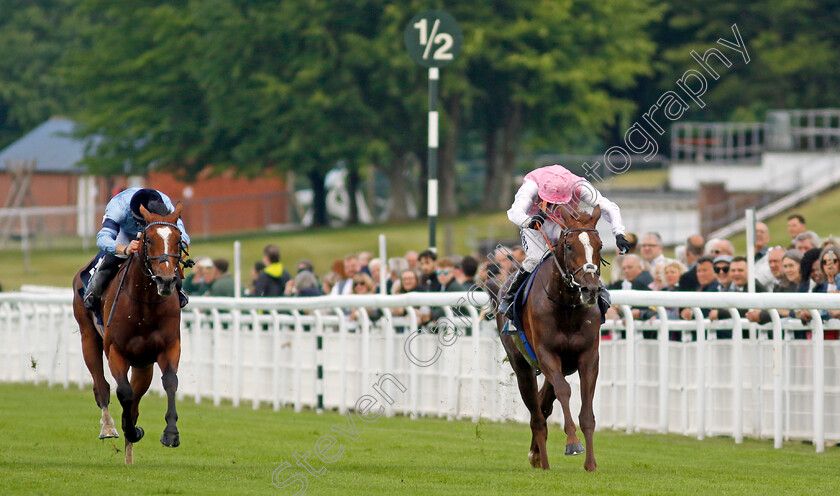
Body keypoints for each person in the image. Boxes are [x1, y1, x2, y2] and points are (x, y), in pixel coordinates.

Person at [500, 164, 630, 317]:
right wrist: (530, 222)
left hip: (562, 221)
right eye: (551, 201)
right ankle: (510, 297)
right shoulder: (531, 185)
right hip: (533, 223)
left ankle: (598, 287)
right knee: (536, 258)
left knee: (578, 248)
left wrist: (619, 233)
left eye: (559, 201)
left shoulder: (580, 186)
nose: (555, 204)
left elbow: (609, 207)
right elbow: (515, 212)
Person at [83, 188, 190, 310]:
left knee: (165, 258)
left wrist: (173, 246)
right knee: (112, 259)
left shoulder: (165, 204)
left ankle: (179, 290)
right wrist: (124, 249)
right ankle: (93, 292)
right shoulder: (118, 208)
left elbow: (182, 235)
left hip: (155, 235)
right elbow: (103, 238)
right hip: (124, 232)